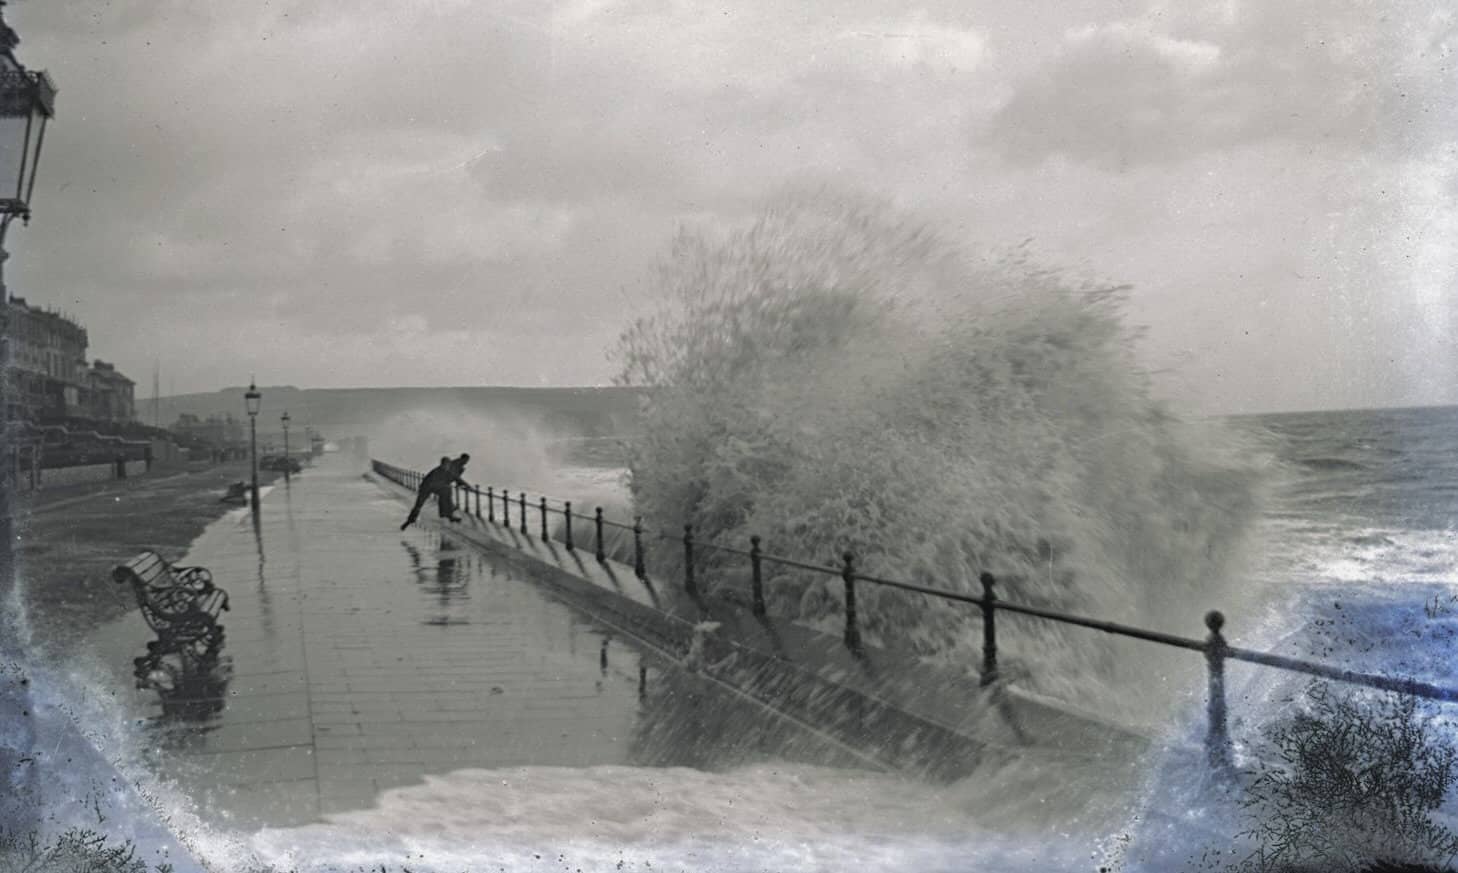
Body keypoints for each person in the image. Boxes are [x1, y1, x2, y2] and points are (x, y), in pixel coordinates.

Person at [400, 454, 471, 530]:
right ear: (442, 464)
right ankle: (409, 521)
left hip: (433, 486)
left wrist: (461, 484)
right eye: (445, 465)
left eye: (447, 465)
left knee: (447, 491)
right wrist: (467, 485)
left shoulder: (449, 468)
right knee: (418, 505)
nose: (446, 467)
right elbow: (455, 477)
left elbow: (454, 477)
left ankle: (447, 514)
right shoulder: (441, 470)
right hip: (426, 488)